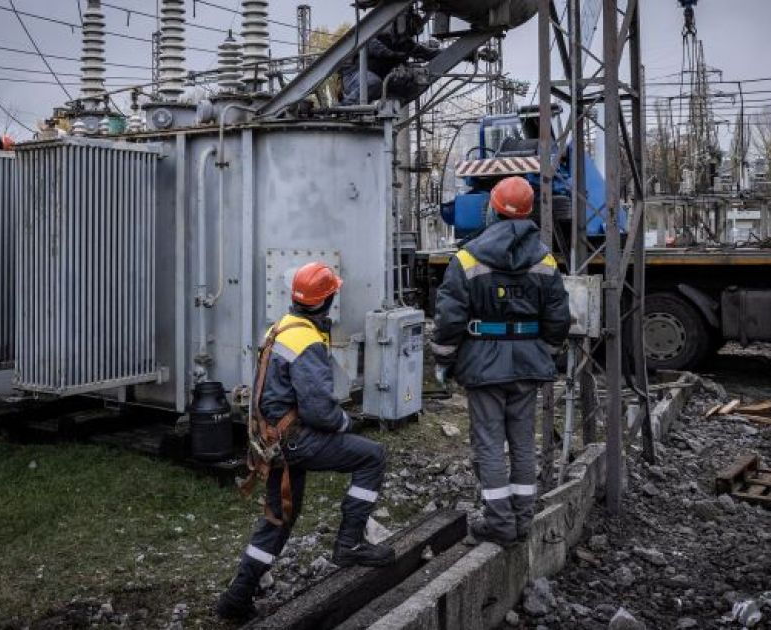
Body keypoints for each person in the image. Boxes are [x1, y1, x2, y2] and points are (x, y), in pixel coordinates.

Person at [216, 262, 395, 621]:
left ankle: (237, 598)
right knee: (372, 457)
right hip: (296, 440)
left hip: (272, 441)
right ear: (326, 300)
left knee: (279, 518)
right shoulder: (307, 340)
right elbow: (319, 411)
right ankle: (349, 544)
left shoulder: (280, 327)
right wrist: (346, 421)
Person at [431, 176, 570, 547]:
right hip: (527, 364)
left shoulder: (467, 258)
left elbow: (449, 319)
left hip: (482, 366)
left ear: (491, 209)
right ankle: (523, 520)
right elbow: (558, 317)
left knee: (490, 444)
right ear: (528, 213)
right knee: (523, 442)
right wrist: (546, 352)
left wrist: (443, 360)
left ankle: (500, 525)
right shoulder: (544, 259)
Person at [340, 10, 440, 105]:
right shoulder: (377, 34)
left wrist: (446, 52)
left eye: (412, 33)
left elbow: (430, 53)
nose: (408, 36)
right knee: (372, 83)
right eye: (409, 30)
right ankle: (345, 107)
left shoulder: (406, 44)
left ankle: (389, 107)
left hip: (378, 82)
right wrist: (393, 54)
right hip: (354, 76)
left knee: (414, 84)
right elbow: (375, 47)